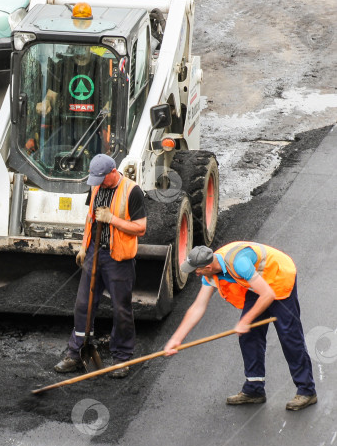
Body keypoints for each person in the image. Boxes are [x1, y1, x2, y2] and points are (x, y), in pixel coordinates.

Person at [164, 243, 316, 411]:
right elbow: (198, 307)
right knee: (249, 334)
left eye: (196, 270)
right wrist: (176, 339)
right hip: (256, 281)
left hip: (278, 276)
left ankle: (307, 391)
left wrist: (245, 321)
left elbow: (268, 295)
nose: (195, 273)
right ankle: (254, 389)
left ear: (207, 266)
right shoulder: (209, 273)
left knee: (289, 335)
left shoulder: (239, 263)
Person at [54, 154, 147, 376]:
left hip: (119, 258)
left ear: (113, 172)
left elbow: (141, 228)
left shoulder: (132, 191)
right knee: (83, 305)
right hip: (94, 253)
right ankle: (76, 354)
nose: (97, 183)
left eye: (101, 179)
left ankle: (121, 359)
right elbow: (90, 219)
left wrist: (112, 219)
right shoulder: (96, 187)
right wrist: (83, 247)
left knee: (121, 309)